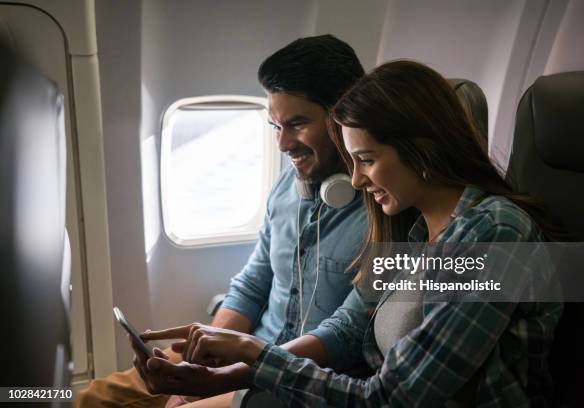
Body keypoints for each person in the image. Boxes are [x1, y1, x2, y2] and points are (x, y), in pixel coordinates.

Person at [137, 60, 563, 407]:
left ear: (423, 149)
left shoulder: (494, 234)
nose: (356, 181)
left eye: (367, 159)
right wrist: (225, 374)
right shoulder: (415, 234)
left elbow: (391, 398)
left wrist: (253, 354)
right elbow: (348, 328)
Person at [76, 34, 371, 408]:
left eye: (296, 124)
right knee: (94, 398)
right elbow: (252, 285)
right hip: (243, 354)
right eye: (275, 127)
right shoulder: (286, 187)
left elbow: (350, 332)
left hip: (288, 377)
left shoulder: (385, 211)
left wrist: (227, 372)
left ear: (342, 117)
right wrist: (204, 351)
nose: (283, 144)